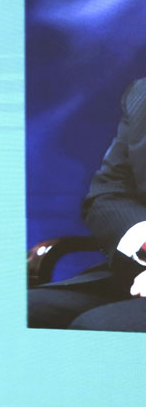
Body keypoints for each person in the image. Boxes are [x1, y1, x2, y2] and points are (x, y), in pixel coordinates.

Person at [28, 78, 146, 331]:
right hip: (132, 273)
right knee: (26, 311)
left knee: (97, 326)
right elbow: (108, 193)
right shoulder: (142, 94)